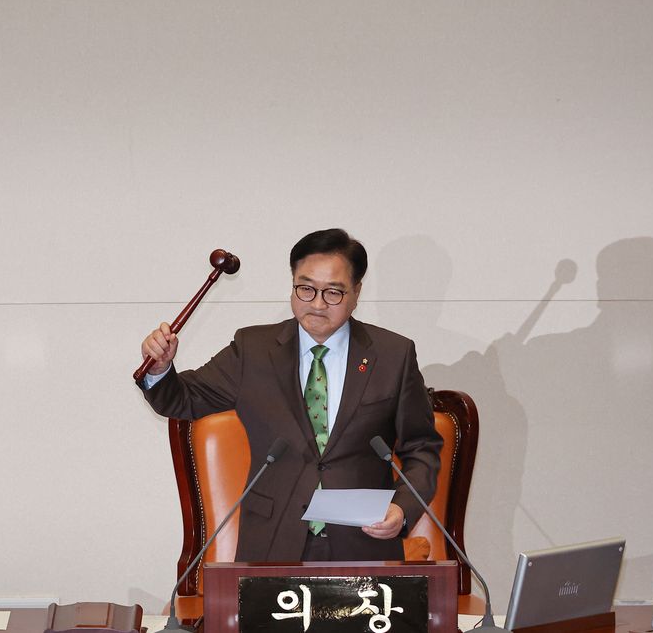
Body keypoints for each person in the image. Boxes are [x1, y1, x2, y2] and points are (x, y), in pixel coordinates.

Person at [139, 228, 442, 561]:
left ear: (356, 293)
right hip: (271, 543)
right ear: (293, 285)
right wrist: (159, 369)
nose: (317, 304)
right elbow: (181, 399)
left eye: (333, 293)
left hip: (364, 542)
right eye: (306, 288)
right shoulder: (253, 350)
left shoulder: (392, 355)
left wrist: (402, 508)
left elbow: (422, 449)